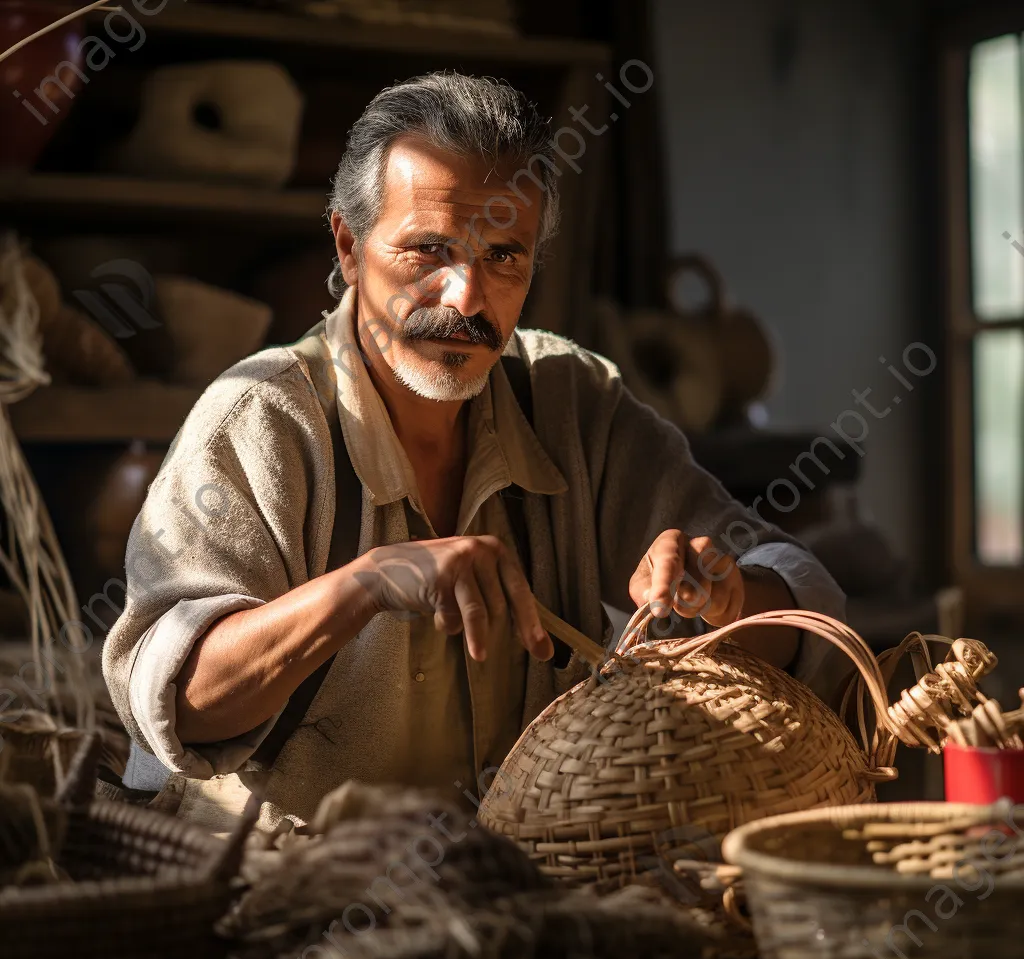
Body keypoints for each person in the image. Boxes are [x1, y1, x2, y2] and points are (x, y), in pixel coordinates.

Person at [103, 72, 844, 829]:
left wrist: (725, 597)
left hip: (503, 894)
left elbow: (800, 597)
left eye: (503, 257)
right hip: (274, 898)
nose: (465, 298)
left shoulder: (572, 403)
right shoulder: (262, 419)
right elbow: (176, 700)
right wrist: (367, 583)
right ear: (349, 247)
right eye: (429, 251)